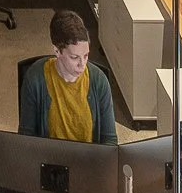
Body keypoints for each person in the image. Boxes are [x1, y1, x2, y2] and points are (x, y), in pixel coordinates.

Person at [19, 10, 118, 144]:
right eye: (74, 57)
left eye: (86, 55)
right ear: (57, 51)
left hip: (89, 160)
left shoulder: (99, 81)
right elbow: (26, 137)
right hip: (50, 160)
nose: (82, 64)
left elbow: (110, 140)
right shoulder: (35, 78)